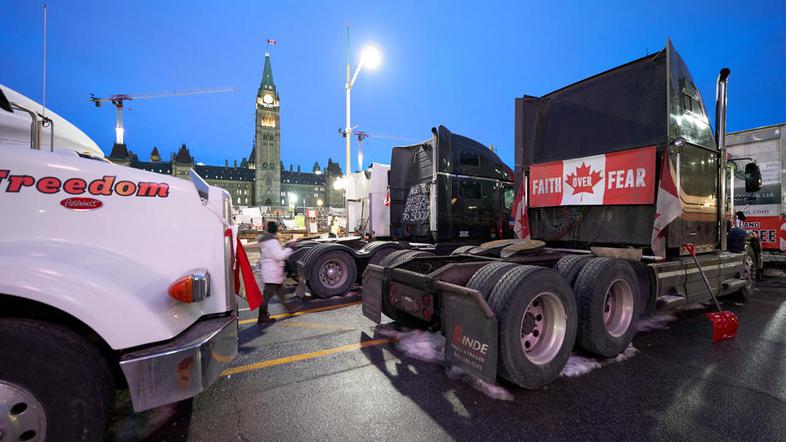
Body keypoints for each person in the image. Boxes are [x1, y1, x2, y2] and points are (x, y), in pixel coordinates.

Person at [257, 221, 295, 324]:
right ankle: (262, 316)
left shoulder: (265, 240)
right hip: (272, 273)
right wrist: (289, 249)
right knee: (267, 296)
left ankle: (289, 309)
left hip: (271, 272)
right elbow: (279, 256)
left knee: (280, 292)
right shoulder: (272, 241)